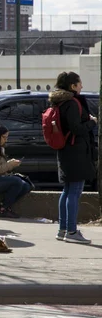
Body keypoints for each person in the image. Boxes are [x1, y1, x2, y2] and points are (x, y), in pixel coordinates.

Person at [49, 71, 97, 244]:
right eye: (79, 83)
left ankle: (63, 229)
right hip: (76, 152)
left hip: (65, 151)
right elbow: (77, 128)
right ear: (72, 86)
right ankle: (71, 231)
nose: (82, 86)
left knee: (68, 191)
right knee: (74, 192)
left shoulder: (59, 102)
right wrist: (92, 122)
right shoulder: (71, 103)